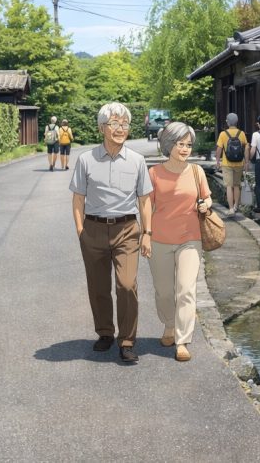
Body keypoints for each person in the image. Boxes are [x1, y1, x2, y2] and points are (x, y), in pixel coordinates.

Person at [69, 102, 153, 363]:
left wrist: (147, 232)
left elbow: (145, 199)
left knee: (127, 285)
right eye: (114, 124)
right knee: (98, 286)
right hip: (93, 229)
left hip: (127, 229)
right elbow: (78, 200)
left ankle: (127, 341)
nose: (120, 129)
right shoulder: (86, 160)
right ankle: (105, 332)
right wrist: (81, 231)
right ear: (101, 127)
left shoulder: (138, 160)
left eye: (125, 124)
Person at [142, 121, 211, 362]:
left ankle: (182, 340)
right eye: (180, 144)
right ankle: (169, 325)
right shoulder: (154, 174)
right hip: (160, 239)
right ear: (169, 145)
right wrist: (146, 234)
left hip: (190, 239)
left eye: (188, 144)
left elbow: (207, 198)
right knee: (163, 291)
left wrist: (206, 204)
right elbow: (147, 206)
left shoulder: (196, 172)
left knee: (186, 290)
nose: (185, 149)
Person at [215, 112, 247, 215]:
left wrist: (217, 161)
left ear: (227, 122)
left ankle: (231, 208)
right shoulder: (241, 133)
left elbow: (219, 149)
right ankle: (236, 206)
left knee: (229, 186)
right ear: (236, 122)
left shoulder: (223, 134)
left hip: (227, 163)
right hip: (239, 163)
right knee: (237, 185)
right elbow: (246, 148)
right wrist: (246, 162)